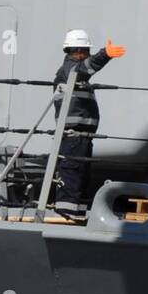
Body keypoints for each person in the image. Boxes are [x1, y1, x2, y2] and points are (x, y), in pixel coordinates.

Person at [50, 29, 125, 216]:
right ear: (79, 51)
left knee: (81, 173)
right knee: (71, 171)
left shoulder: (75, 69)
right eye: (87, 51)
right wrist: (104, 55)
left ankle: (77, 212)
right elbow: (83, 69)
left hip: (83, 135)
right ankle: (66, 212)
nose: (88, 54)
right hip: (73, 135)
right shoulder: (70, 69)